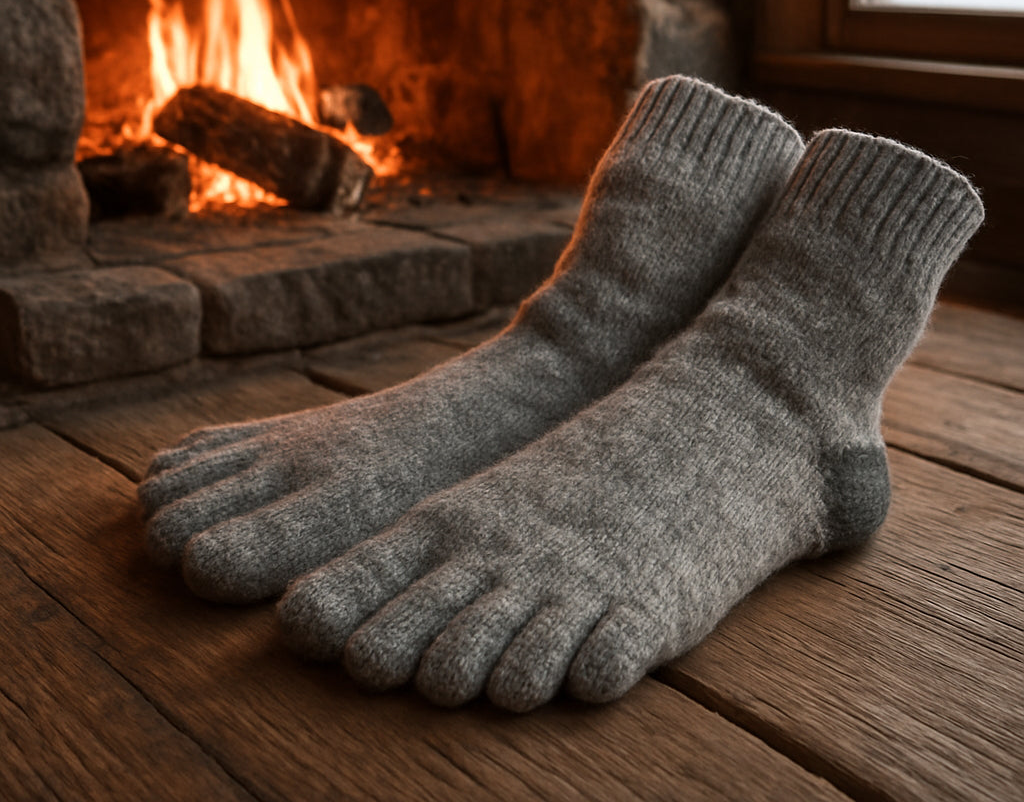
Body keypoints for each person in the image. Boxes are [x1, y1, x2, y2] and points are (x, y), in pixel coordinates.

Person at [139, 75, 983, 711]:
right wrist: (583, 336)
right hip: (642, 368)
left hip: (776, 394)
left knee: (618, 352)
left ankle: (788, 403)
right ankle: (607, 354)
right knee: (582, 337)